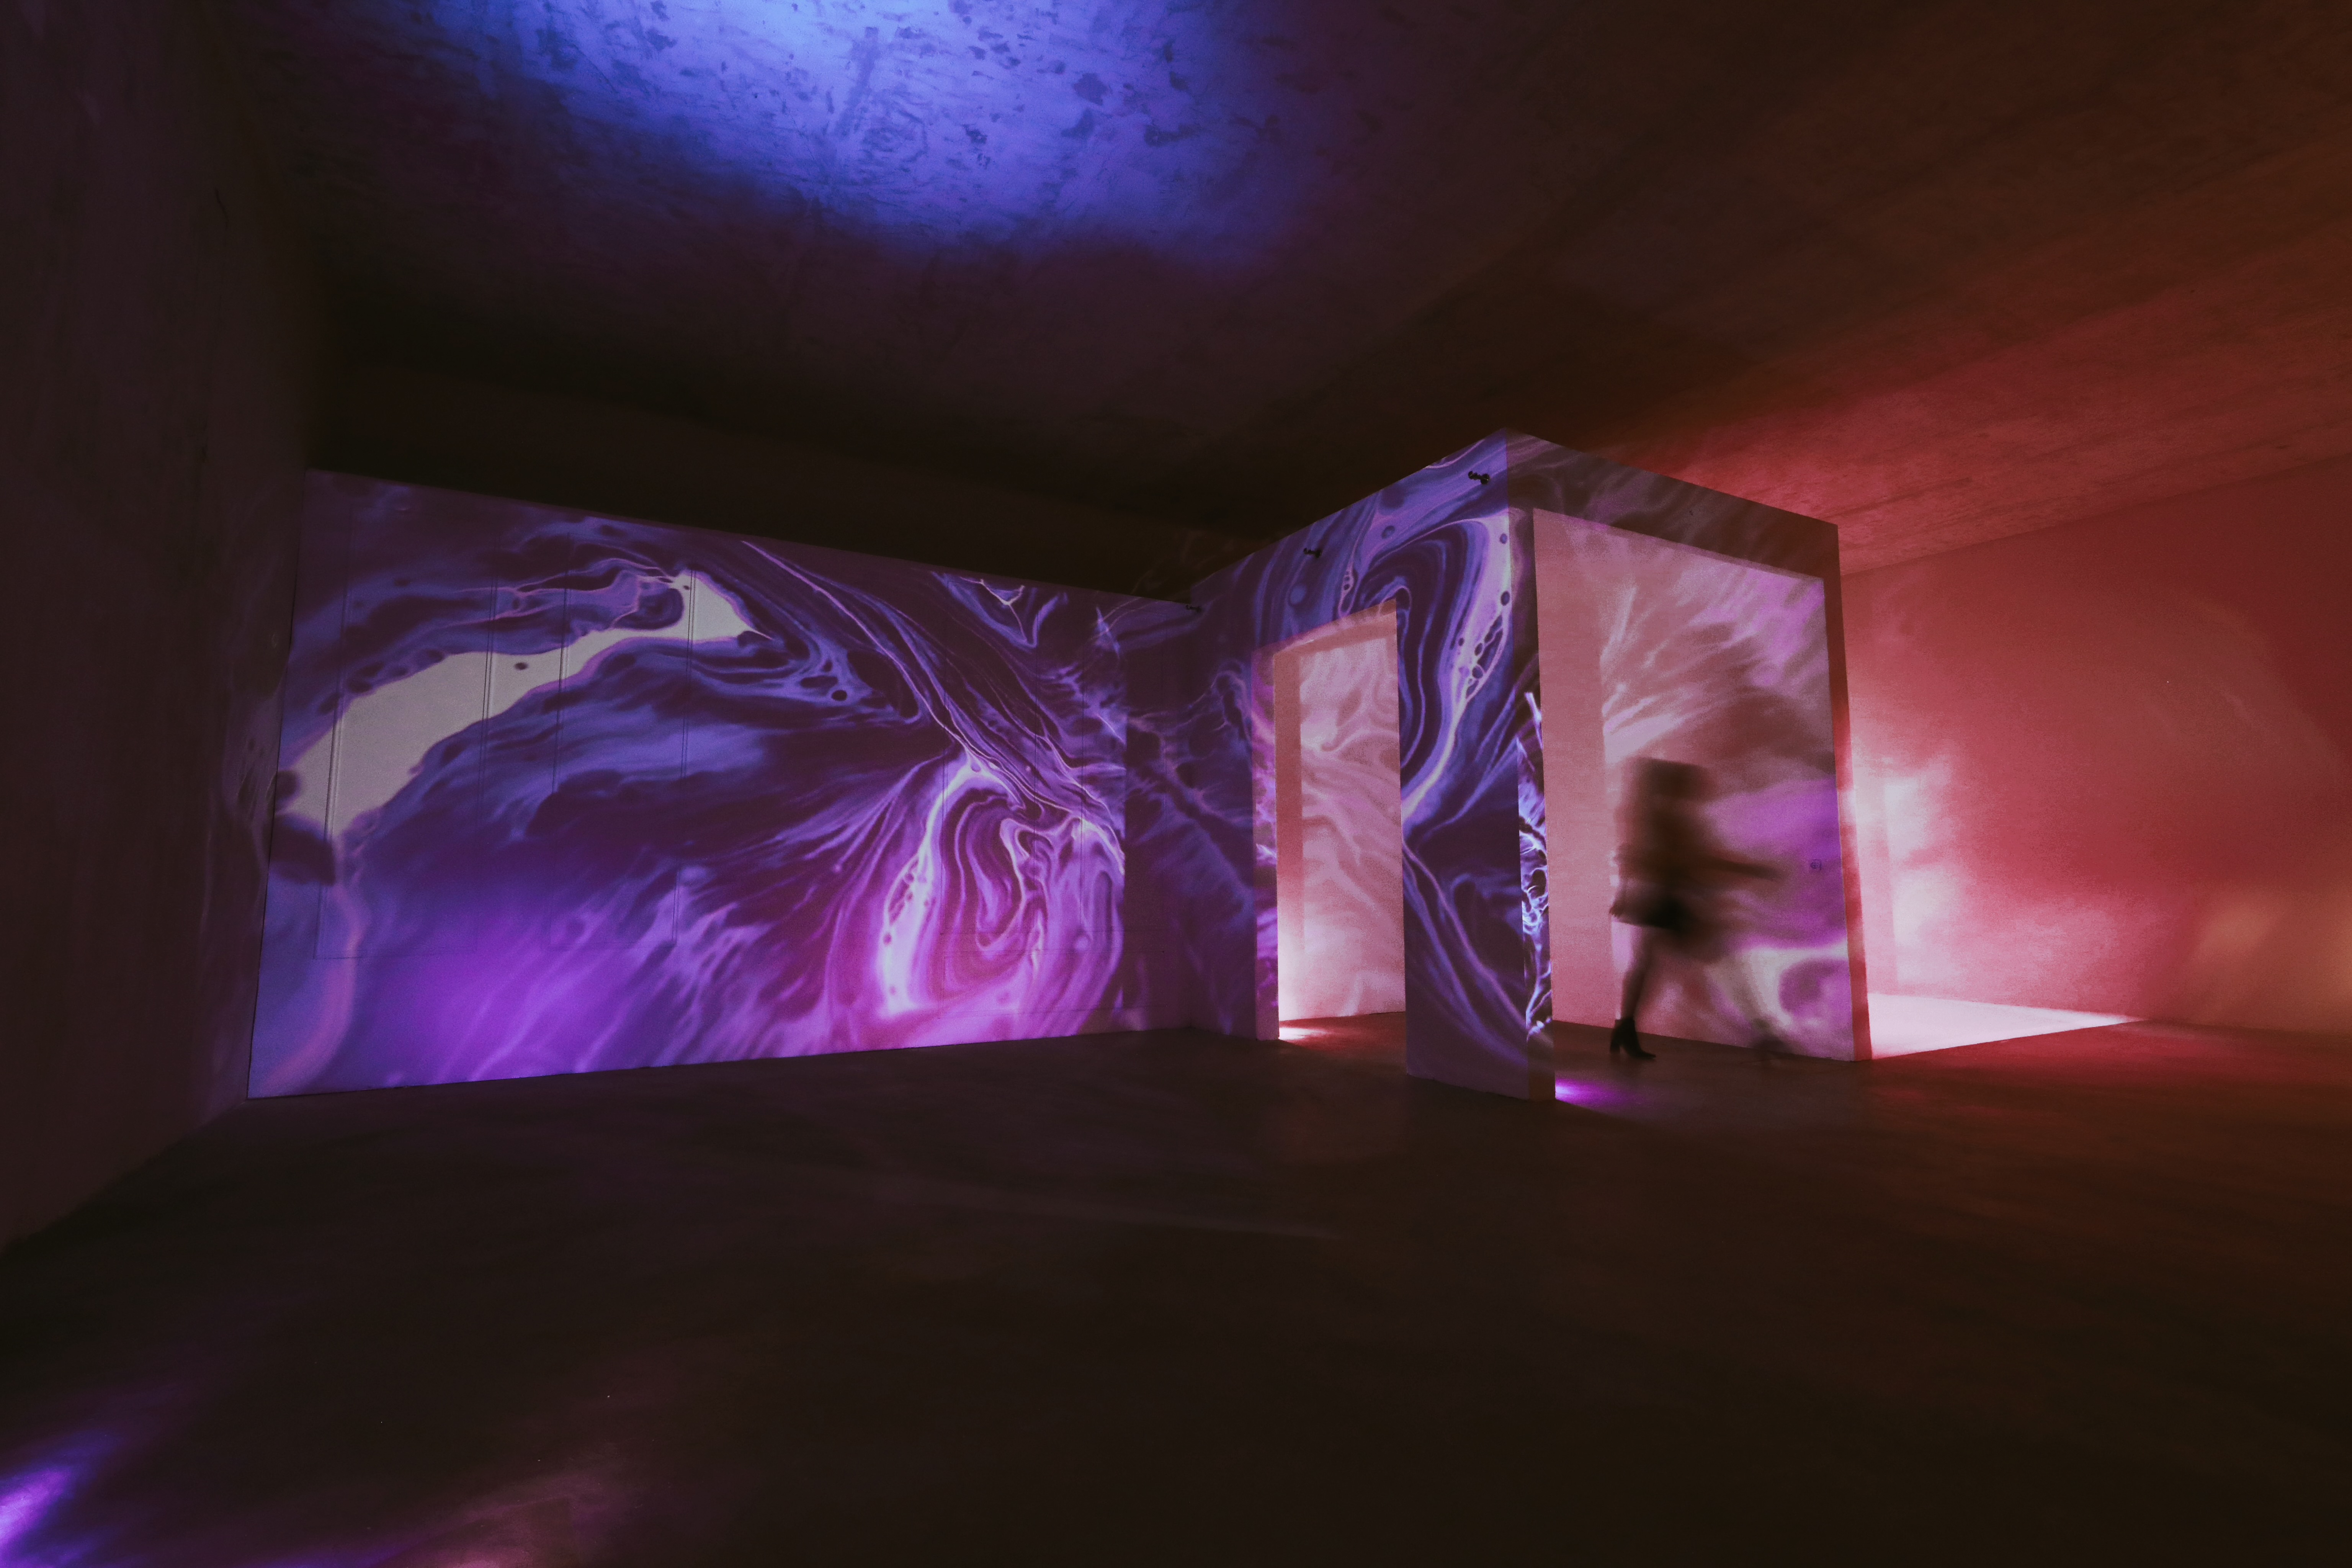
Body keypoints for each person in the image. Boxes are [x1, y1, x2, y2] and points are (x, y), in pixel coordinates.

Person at [1607, 759, 1783, 1060]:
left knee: (1647, 966)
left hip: (1656, 899)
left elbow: (1632, 856)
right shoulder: (1667, 820)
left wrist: (1623, 896)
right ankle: (1762, 1031)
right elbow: (1688, 860)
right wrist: (1751, 870)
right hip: (1668, 900)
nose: (1697, 791)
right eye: (1687, 786)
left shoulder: (1650, 816)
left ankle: (1625, 1028)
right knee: (1720, 959)